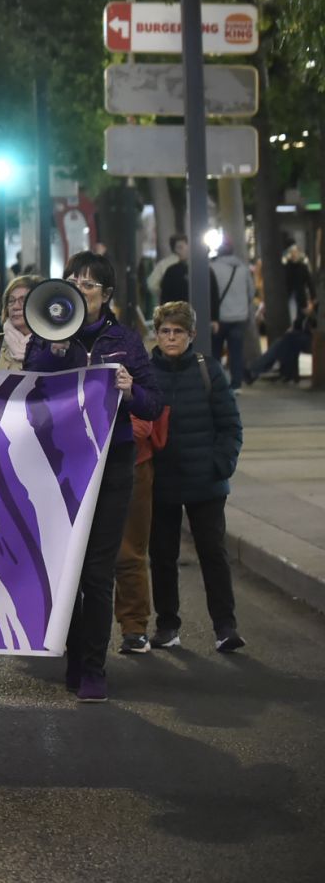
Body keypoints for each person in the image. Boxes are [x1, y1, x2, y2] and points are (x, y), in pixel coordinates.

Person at [24, 251, 162, 702]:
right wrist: (54, 353)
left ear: (106, 295)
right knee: (67, 567)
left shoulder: (124, 340)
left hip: (112, 463)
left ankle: (93, 668)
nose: (79, 289)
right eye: (73, 281)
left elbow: (152, 403)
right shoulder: (44, 337)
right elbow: (29, 391)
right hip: (62, 465)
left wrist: (129, 387)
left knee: (97, 573)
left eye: (89, 284)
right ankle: (75, 655)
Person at [147, 302, 246, 655]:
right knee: (161, 555)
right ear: (156, 334)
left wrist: (221, 465)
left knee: (213, 553)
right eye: (165, 331)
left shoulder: (209, 371)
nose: (171, 338)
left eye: (178, 332)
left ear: (191, 335)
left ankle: (224, 626)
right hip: (162, 481)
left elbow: (231, 425)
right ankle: (167, 624)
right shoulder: (146, 372)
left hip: (205, 481)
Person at [208, 240, 253, 387]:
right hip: (239, 317)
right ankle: (236, 384)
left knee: (216, 352)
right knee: (236, 353)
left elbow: (210, 293)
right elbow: (251, 292)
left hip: (219, 318)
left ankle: (217, 383)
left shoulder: (212, 268)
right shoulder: (243, 269)